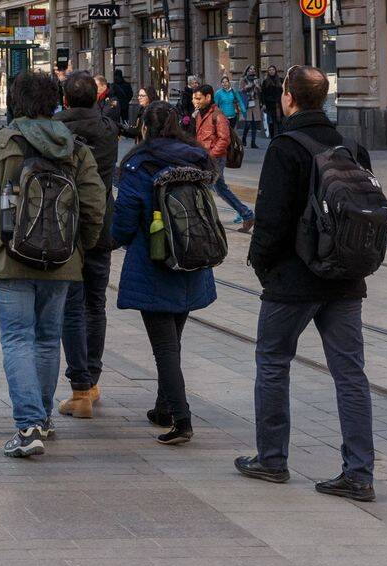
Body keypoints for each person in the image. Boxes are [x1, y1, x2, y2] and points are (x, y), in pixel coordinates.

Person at [0, 70, 106, 459]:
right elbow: (94, 204)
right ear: (55, 102)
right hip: (61, 261)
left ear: (15, 103)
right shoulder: (75, 148)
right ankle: (44, 418)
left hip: (11, 258)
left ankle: (28, 425)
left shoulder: (0, 145)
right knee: (48, 338)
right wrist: (79, 248)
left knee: (18, 338)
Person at [236, 66, 374, 500]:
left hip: (293, 280)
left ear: (289, 99)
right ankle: (359, 473)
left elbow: (271, 221)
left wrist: (262, 266)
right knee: (350, 374)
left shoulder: (286, 147)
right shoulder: (352, 146)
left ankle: (272, 459)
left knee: (273, 363)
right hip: (345, 278)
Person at [110, 103, 218, 444]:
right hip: (190, 259)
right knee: (173, 341)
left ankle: (181, 418)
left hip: (153, 264)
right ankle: (163, 406)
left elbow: (124, 223)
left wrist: (104, 243)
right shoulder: (195, 158)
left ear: (144, 128)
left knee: (164, 348)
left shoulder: (138, 164)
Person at [56, 71, 119, 421]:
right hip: (100, 223)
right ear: (97, 98)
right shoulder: (109, 130)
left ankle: (79, 386)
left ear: (65, 100)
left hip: (64, 226)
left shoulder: (56, 129)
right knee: (96, 303)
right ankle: (92, 381)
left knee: (71, 305)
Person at [191, 84, 255, 230]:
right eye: (194, 98)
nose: (195, 101)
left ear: (208, 97)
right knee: (220, 189)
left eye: (198, 98)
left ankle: (202, 221)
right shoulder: (200, 114)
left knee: (202, 187)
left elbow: (224, 139)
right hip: (205, 157)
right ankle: (247, 214)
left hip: (215, 158)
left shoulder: (218, 115)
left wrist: (211, 156)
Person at [259, 67, 285, 140]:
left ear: (275, 71)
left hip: (279, 104)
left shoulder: (280, 80)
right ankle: (272, 137)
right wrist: (263, 103)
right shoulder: (265, 82)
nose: (271, 71)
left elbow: (284, 92)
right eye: (270, 70)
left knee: (279, 121)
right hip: (269, 105)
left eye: (273, 70)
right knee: (271, 122)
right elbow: (263, 94)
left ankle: (280, 137)